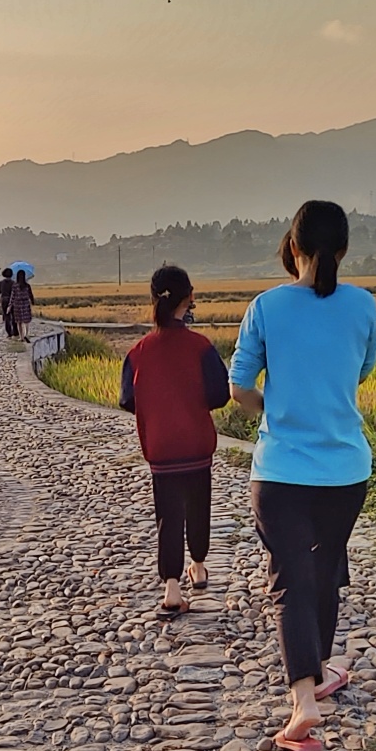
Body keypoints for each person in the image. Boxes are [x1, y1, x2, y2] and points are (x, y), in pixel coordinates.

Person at [229, 200, 376, 751]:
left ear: (292, 247)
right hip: (345, 470)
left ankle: (304, 703)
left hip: (281, 472)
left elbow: (237, 387)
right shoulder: (363, 305)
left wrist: (271, 409)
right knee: (326, 567)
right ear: (341, 251)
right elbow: (361, 369)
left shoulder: (266, 306)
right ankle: (318, 668)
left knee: (291, 578)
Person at [120, 264, 230, 620]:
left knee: (168, 515)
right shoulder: (200, 346)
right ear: (190, 298)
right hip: (196, 444)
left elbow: (127, 399)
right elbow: (218, 395)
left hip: (161, 447)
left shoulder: (138, 351)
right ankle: (198, 566)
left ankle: (171, 588)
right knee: (199, 505)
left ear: (154, 299)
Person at [11, 269, 35, 339]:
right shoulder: (27, 286)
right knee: (26, 320)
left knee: (19, 321)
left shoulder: (15, 286)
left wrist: (10, 305)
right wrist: (32, 302)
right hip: (25, 304)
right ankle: (26, 334)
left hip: (17, 304)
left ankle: (21, 337)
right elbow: (31, 295)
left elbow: (12, 296)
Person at [0, 266, 15, 338]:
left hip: (4, 300)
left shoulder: (1, 283)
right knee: (14, 316)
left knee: (6, 316)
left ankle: (9, 332)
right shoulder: (14, 283)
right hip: (13, 300)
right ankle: (15, 331)